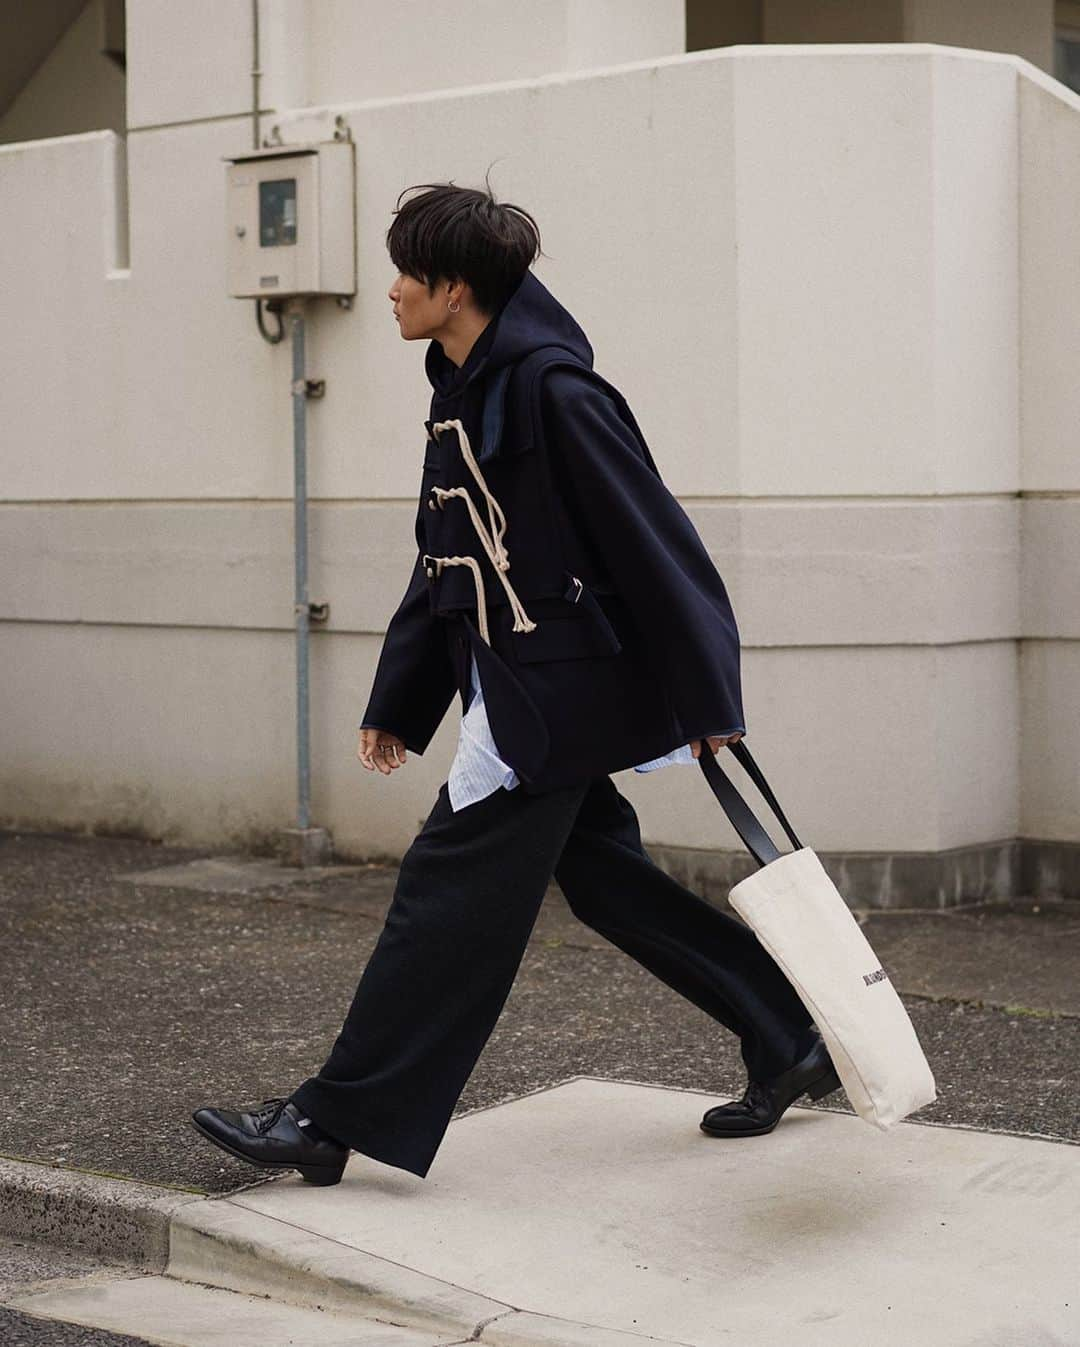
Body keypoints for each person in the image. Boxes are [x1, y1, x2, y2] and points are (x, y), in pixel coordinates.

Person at [191, 178, 840, 1187]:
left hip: (553, 701)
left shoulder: (555, 393)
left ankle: (332, 1120)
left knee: (443, 898)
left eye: (411, 272)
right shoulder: (460, 389)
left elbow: (660, 550)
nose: (393, 290)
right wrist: (400, 699)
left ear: (456, 290)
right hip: (515, 686)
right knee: (609, 884)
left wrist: (711, 702)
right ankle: (786, 1031)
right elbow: (444, 557)